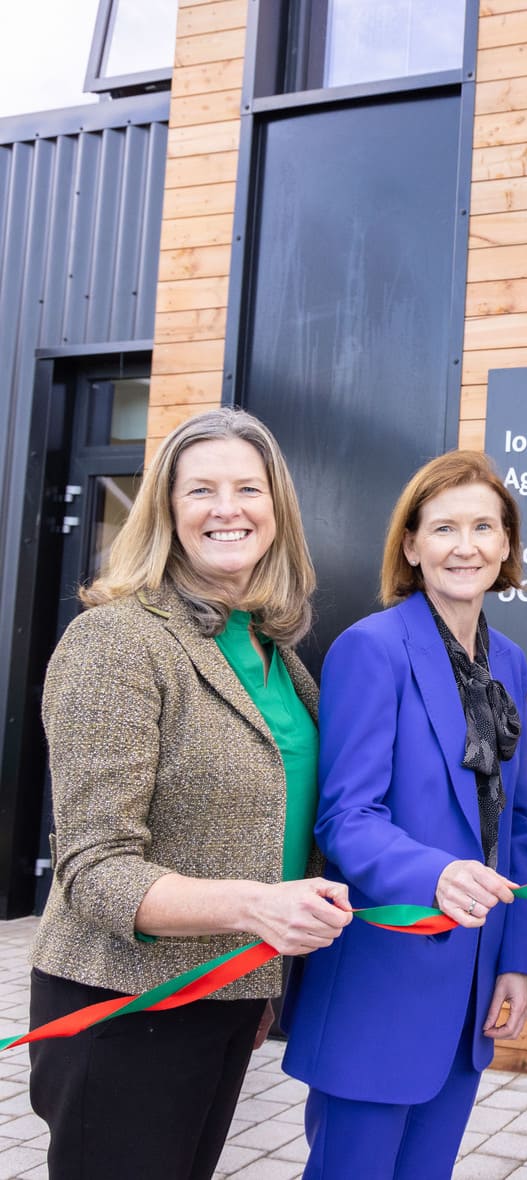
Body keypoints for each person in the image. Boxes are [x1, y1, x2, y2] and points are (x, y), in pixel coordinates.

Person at [29, 407, 352, 1180]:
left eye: (249, 487)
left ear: (277, 510)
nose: (227, 508)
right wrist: (253, 910)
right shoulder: (117, 640)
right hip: (121, 1002)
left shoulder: (276, 653)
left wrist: (258, 970)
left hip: (227, 993)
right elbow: (95, 866)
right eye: (200, 489)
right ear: (167, 511)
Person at [282, 450, 527, 1179]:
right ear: (411, 546)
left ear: (507, 544)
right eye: (445, 528)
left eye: (484, 527)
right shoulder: (371, 649)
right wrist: (436, 874)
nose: (466, 546)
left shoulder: (509, 662)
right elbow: (345, 817)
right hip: (379, 982)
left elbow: (514, 821)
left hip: (469, 990)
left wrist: (515, 961)